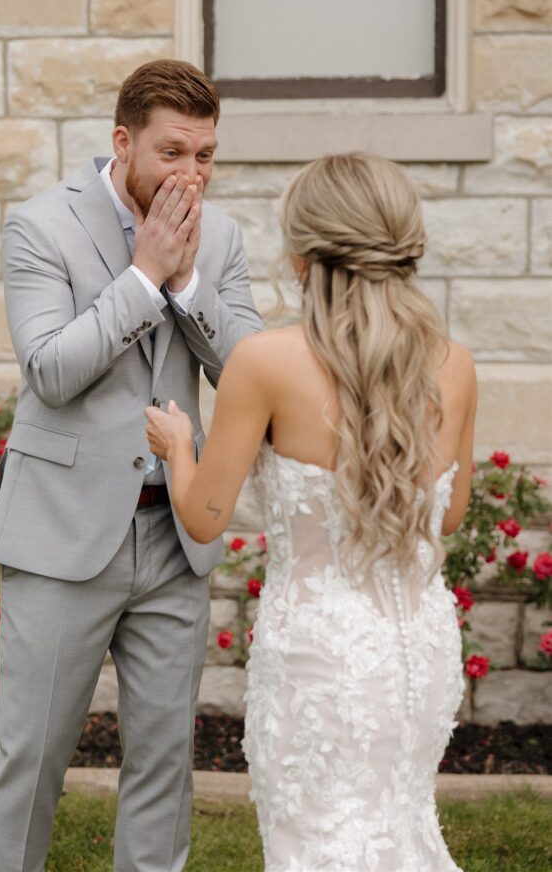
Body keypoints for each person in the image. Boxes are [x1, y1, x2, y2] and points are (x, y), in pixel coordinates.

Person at [146, 152, 477, 872]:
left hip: (318, 660)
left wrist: (178, 446)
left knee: (319, 845)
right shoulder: (453, 363)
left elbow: (205, 517)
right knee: (400, 831)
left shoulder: (266, 362)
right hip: (418, 649)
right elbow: (448, 517)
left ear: (301, 255)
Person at [0, 59, 262, 872]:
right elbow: (52, 371)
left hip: (174, 533)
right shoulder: (39, 227)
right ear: (123, 142)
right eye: (173, 153)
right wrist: (142, 277)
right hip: (63, 534)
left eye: (206, 155)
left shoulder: (224, 236)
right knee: (31, 764)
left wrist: (191, 278)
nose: (192, 174)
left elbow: (246, 370)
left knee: (165, 768)